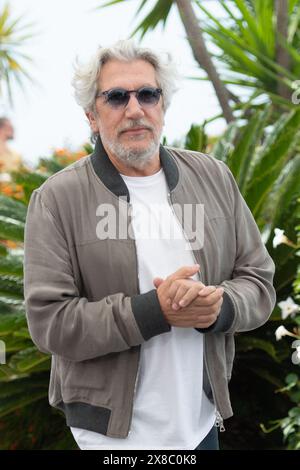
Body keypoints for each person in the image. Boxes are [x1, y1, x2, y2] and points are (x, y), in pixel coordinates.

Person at [24, 40, 276, 451]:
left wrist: (219, 307)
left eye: (148, 94)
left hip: (199, 426)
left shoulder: (213, 176)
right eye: (117, 97)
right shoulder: (57, 199)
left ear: (163, 105)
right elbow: (50, 323)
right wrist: (153, 311)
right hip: (110, 438)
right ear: (92, 115)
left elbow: (258, 281)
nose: (135, 108)